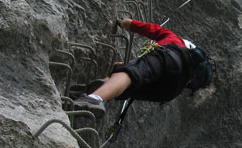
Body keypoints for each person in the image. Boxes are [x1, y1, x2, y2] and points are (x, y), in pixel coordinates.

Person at [73, 19, 214, 119]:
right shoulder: (189, 68)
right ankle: (97, 90)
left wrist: (122, 22)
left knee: (131, 74)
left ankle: (93, 98)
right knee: (131, 83)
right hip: (171, 90)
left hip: (169, 59)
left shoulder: (173, 39)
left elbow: (140, 26)